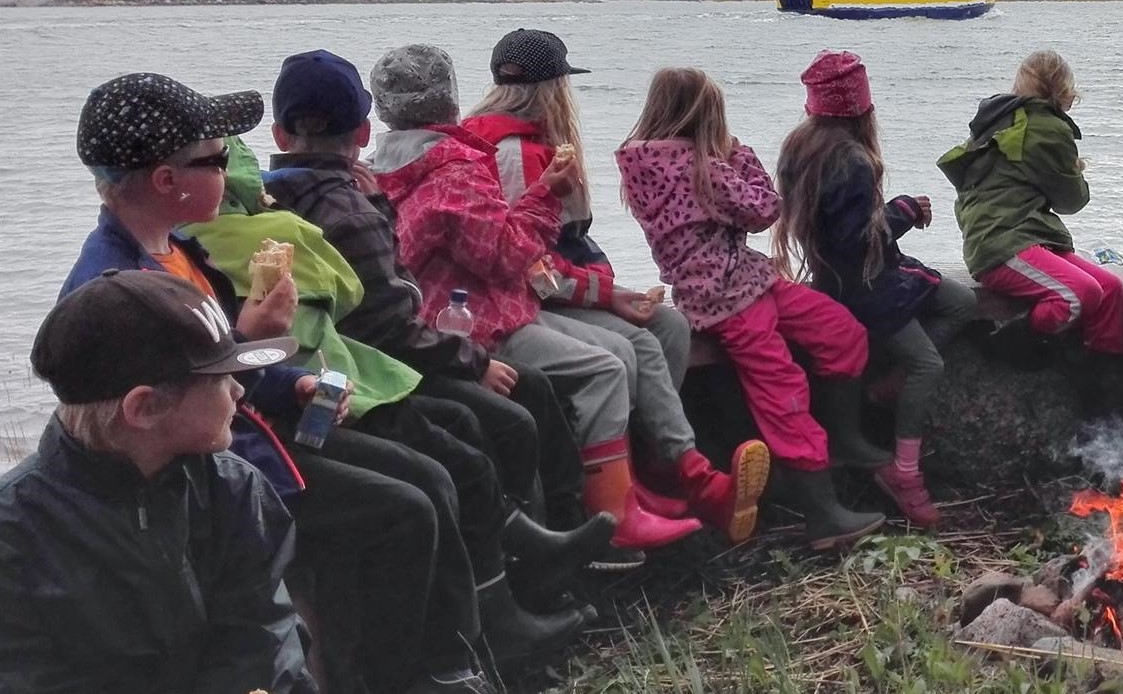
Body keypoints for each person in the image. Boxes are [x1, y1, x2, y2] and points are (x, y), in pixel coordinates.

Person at [62, 72, 484, 693]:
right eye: (217, 159)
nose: (236, 169)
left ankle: (446, 661)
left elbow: (207, 365)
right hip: (210, 468)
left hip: (255, 426)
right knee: (402, 511)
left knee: (427, 474)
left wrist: (291, 386)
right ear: (166, 181)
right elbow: (159, 408)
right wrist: (248, 340)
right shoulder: (114, 288)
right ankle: (401, 677)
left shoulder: (174, 247)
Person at [188, 135, 598, 658]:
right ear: (359, 131)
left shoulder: (192, 245)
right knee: (441, 472)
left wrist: (289, 380)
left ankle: (516, 582)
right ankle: (453, 651)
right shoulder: (299, 220)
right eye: (213, 161)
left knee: (469, 435)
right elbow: (372, 296)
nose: (225, 173)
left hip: (317, 386)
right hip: (286, 418)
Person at [367, 43, 747, 551]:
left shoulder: (415, 159)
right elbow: (515, 259)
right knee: (616, 358)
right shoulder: (490, 159)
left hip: (483, 300)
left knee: (661, 331)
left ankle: (664, 473)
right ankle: (623, 500)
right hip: (486, 312)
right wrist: (597, 285)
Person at [460, 31, 770, 544]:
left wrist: (606, 289)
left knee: (668, 326)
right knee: (635, 345)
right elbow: (521, 257)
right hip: (526, 296)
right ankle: (679, 478)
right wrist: (606, 295)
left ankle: (653, 467)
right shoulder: (513, 152)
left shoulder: (528, 141)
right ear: (553, 87)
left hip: (554, 284)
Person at [265, 48, 588, 535]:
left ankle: (539, 541)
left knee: (515, 401)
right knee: (536, 401)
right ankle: (546, 545)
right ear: (362, 132)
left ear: (279, 135)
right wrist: (545, 199)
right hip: (389, 358)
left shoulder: (271, 199)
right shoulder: (372, 200)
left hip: (350, 359)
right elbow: (492, 261)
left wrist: (376, 200)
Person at [0, 270, 313, 693]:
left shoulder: (235, 489)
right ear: (145, 408)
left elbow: (263, 639)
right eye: (221, 378)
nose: (239, 391)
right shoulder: (16, 535)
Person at [615, 64, 886, 550]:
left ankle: (842, 441)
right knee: (782, 389)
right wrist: (738, 150)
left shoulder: (644, 164)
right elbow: (764, 209)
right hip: (726, 296)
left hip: (740, 282)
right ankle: (820, 510)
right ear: (705, 116)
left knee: (839, 331)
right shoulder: (701, 167)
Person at [776, 51, 981, 529]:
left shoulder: (800, 147)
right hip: (864, 287)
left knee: (964, 302)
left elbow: (839, 229)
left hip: (859, 276)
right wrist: (905, 210)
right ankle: (904, 471)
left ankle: (890, 388)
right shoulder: (850, 159)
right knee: (927, 362)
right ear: (862, 109)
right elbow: (853, 241)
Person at [938, 50, 1123, 359]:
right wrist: (1076, 170)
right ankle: (1007, 343)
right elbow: (1071, 201)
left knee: (1111, 288)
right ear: (1065, 91)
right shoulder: (1049, 128)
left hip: (1023, 233)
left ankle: (1103, 384)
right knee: (1082, 294)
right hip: (1001, 243)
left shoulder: (999, 117)